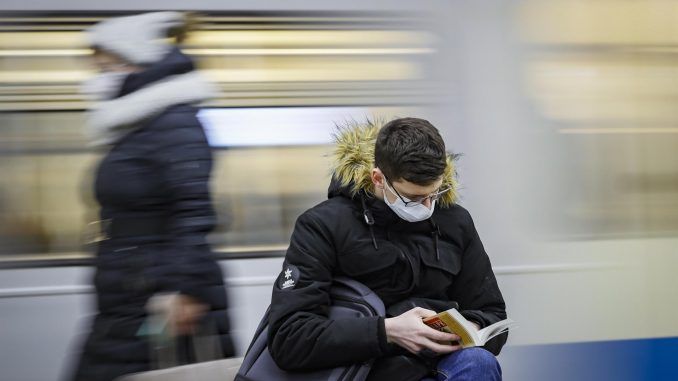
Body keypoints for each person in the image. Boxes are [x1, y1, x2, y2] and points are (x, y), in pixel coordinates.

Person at [267, 118, 507, 380]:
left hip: (440, 365)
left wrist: (469, 328)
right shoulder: (323, 226)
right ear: (378, 178)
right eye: (413, 198)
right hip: (367, 367)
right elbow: (289, 338)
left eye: (436, 194)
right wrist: (387, 331)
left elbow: (492, 314)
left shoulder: (455, 222)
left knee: (478, 362)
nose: (427, 207)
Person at [69, 12, 235, 381]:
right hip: (130, 295)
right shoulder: (138, 124)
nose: (98, 75)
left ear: (132, 61)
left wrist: (183, 289)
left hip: (160, 295)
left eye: (104, 65)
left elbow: (194, 211)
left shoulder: (174, 123)